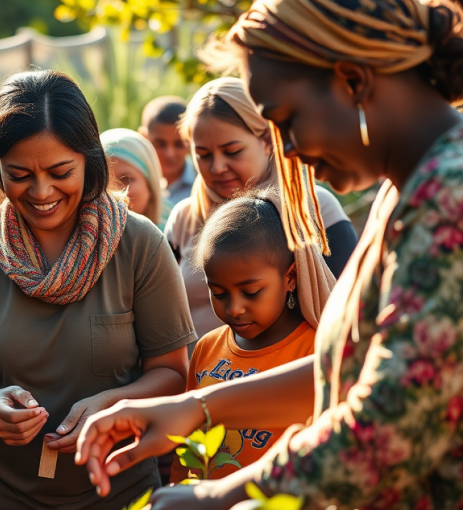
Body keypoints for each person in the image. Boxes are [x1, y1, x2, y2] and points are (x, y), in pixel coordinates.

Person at [76, 0, 463, 508]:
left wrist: (220, 495)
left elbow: (392, 424)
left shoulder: (449, 197)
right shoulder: (409, 186)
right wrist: (196, 407)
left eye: (287, 119)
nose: (287, 149)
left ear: (352, 80)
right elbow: (352, 369)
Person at [0, 69, 194, 510]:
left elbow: (172, 373)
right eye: (19, 174)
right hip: (0, 492)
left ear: (90, 160)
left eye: (59, 172)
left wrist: (112, 404)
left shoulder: (139, 243)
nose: (41, 191)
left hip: (119, 488)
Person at [165, 77, 357, 342]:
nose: (217, 167)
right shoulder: (183, 219)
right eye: (204, 155)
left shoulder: (315, 210)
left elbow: (349, 316)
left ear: (267, 140)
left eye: (232, 151)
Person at [169, 189, 333, 483]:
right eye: (218, 293)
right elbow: (188, 443)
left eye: (251, 292)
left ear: (290, 277)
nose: (234, 308)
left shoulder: (314, 352)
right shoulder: (208, 348)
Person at [101, 128, 170, 230]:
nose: (114, 192)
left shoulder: (180, 234)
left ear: (150, 184)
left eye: (126, 179)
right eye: (104, 181)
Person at [139, 96, 195, 205]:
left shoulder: (204, 185)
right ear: (144, 138)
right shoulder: (131, 183)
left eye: (180, 144)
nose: (170, 154)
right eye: (160, 144)